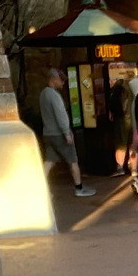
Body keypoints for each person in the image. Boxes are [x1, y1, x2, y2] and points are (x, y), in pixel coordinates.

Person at [40, 69, 96, 197]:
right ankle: (79, 188)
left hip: (48, 133)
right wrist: (66, 132)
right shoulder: (54, 95)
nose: (63, 83)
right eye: (61, 80)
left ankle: (40, 188)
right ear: (53, 79)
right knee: (73, 161)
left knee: (49, 161)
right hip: (59, 134)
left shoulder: (43, 94)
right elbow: (61, 115)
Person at [109, 78, 136, 177]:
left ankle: (120, 167)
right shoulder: (129, 90)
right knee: (132, 145)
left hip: (122, 121)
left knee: (121, 144)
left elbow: (123, 105)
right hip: (131, 120)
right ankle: (134, 169)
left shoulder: (119, 90)